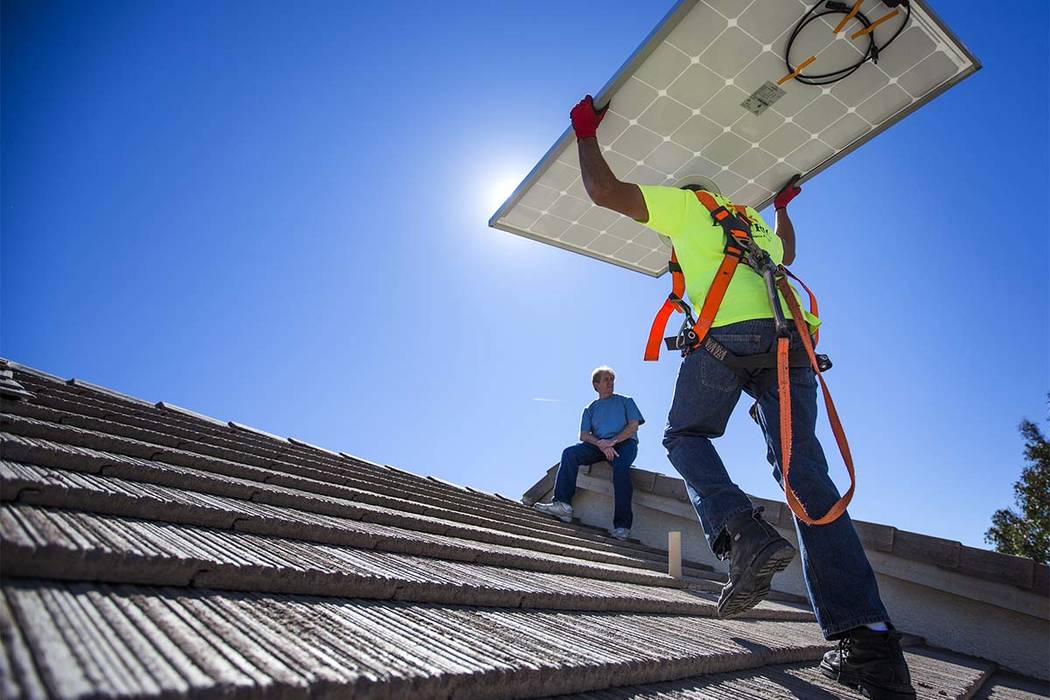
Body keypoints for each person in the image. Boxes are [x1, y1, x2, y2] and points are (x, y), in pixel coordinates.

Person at [566, 95, 915, 700]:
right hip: (792, 350)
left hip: (729, 340)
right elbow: (790, 253)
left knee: (682, 436)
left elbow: (603, 191)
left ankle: (741, 532)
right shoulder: (749, 223)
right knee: (806, 478)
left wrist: (585, 135)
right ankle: (873, 646)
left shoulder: (686, 205)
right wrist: (780, 209)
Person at [534, 366, 644, 540]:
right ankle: (563, 505)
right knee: (570, 453)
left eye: (612, 380)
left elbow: (633, 426)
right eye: (606, 379)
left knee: (621, 469)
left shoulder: (626, 401)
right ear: (596, 385)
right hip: (598, 445)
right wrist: (601, 444)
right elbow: (584, 435)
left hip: (624, 444)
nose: (610, 383)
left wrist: (612, 442)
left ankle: (622, 527)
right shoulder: (590, 409)